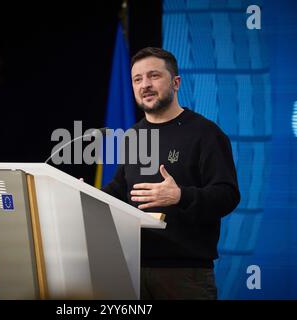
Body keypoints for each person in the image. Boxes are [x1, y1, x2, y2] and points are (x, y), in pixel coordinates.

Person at [102, 47, 240, 300]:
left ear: (176, 83)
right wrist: (81, 194)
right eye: (137, 79)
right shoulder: (134, 135)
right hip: (131, 269)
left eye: (154, 76)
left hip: (184, 275)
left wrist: (180, 196)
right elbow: (121, 189)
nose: (145, 85)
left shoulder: (206, 133)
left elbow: (227, 195)